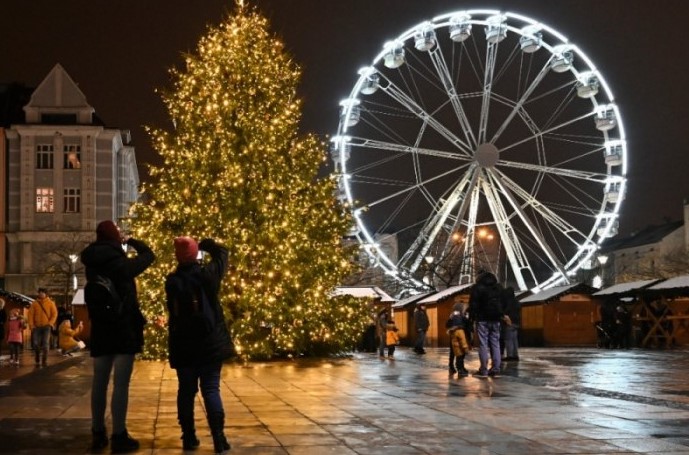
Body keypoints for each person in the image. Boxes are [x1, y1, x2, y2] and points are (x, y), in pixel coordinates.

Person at [81, 220, 155, 453]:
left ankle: (97, 432)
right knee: (121, 384)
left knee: (99, 383)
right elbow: (149, 255)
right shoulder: (121, 264)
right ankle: (119, 434)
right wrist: (130, 240)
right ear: (115, 238)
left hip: (101, 329)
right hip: (123, 329)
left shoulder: (91, 262)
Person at [165, 237, 233, 453]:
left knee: (186, 391)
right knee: (211, 389)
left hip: (183, 344)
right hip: (209, 343)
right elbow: (223, 255)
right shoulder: (207, 276)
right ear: (195, 254)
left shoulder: (172, 281)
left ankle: (189, 436)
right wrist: (208, 245)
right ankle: (219, 438)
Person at [469, 270, 504, 378]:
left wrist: (472, 317)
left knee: (483, 344)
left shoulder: (477, 288)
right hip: (496, 319)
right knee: (495, 343)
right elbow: (503, 302)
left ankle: (483, 370)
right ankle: (496, 369)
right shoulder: (498, 288)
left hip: (482, 319)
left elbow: (474, 304)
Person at [27, 287, 58, 367]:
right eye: (40, 292)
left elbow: (54, 314)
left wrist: (50, 323)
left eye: (42, 292)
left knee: (45, 343)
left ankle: (44, 359)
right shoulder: (34, 303)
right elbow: (30, 315)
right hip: (36, 327)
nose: (41, 294)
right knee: (35, 343)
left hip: (46, 326)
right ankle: (37, 355)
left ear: (46, 294)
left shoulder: (50, 303)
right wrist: (31, 325)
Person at [446, 302, 470, 376]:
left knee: (454, 352)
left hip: (454, 335)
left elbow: (447, 325)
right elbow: (467, 325)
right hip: (460, 335)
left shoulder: (453, 315)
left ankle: (454, 366)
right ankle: (459, 367)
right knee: (460, 353)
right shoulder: (460, 316)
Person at [501, 287, 521, 361]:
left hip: (510, 322)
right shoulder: (516, 301)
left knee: (509, 339)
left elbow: (506, 311)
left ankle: (510, 355)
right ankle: (515, 355)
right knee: (514, 340)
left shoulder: (508, 302)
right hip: (517, 322)